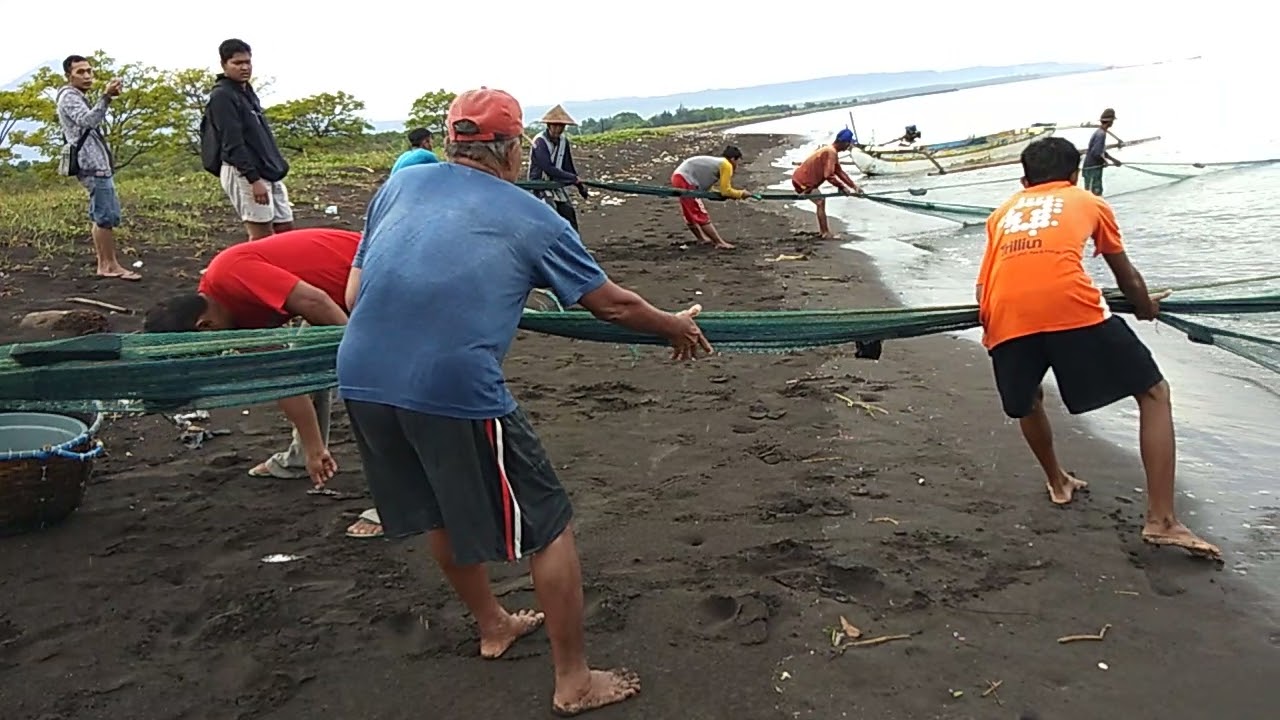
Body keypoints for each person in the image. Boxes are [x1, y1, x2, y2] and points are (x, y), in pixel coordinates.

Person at [337, 86, 712, 716]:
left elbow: (354, 292)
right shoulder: (532, 215)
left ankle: (494, 625)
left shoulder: (398, 187)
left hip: (360, 372)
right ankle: (574, 680)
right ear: (512, 150)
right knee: (549, 525)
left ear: (451, 141)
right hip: (453, 385)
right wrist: (675, 324)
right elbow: (611, 303)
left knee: (438, 512)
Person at [975, 136, 1219, 561]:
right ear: (1075, 176)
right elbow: (1124, 274)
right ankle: (1161, 520)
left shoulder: (1001, 214)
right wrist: (1146, 307)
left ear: (1023, 179)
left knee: (1027, 400)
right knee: (1153, 392)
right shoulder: (1088, 201)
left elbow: (982, 287)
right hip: (1072, 307)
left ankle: (1058, 483)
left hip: (1003, 314)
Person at [142, 227, 358, 488]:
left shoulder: (230, 274)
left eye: (199, 351)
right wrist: (314, 448)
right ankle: (304, 456)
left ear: (204, 326)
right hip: (333, 295)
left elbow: (316, 302)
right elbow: (281, 378)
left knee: (371, 384)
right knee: (305, 366)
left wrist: (359, 353)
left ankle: (407, 495)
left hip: (368, 272)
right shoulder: (224, 316)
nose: (207, 355)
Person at [55, 55, 140, 281]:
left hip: (94, 164)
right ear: (68, 75)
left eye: (89, 71)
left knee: (102, 214)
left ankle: (107, 263)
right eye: (80, 72)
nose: (86, 76)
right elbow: (88, 121)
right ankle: (109, 265)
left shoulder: (76, 96)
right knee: (106, 215)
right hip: (91, 165)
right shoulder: (69, 98)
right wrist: (106, 97)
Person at [203, 38, 292, 240]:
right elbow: (232, 141)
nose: (244, 67)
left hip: (267, 168)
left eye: (247, 62)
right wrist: (253, 179)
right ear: (224, 65)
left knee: (285, 227)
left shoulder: (245, 91)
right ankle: (250, 269)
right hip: (243, 170)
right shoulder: (222, 96)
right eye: (237, 63)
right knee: (262, 234)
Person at [670, 146, 752, 250]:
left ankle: (702, 238)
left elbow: (709, 190)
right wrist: (741, 194)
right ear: (733, 159)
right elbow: (726, 190)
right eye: (738, 162)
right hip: (685, 179)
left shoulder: (717, 163)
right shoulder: (726, 165)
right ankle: (719, 242)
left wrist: (721, 196)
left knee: (689, 212)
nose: (737, 166)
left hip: (679, 177)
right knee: (699, 212)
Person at [791, 129, 863, 239]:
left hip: (806, 181)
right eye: (848, 143)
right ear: (843, 142)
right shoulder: (831, 152)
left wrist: (854, 186)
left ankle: (823, 231)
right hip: (802, 181)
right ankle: (825, 233)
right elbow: (828, 175)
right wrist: (842, 187)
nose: (848, 146)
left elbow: (839, 172)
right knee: (820, 201)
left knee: (820, 200)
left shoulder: (831, 151)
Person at [528, 104, 588, 231]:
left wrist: (580, 186)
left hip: (556, 185)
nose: (558, 129)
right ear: (549, 125)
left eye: (561, 126)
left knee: (569, 213)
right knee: (551, 214)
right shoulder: (539, 142)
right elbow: (548, 168)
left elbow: (567, 165)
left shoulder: (563, 141)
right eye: (555, 125)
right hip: (540, 185)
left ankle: (574, 244)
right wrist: (572, 178)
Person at [1082, 108, 1123, 196]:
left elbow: (1101, 151)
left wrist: (1114, 160)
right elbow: (1096, 153)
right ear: (1110, 121)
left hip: (1091, 167)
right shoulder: (1101, 134)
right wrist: (1105, 161)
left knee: (1091, 192)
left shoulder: (1099, 132)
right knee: (1094, 194)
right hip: (1092, 168)